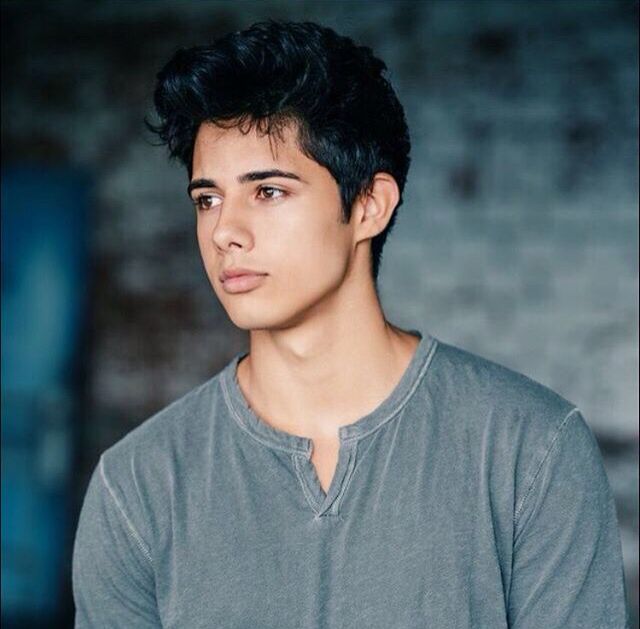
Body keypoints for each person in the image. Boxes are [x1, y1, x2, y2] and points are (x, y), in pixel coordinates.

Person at [72, 19, 629, 628]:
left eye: (269, 192)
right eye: (207, 199)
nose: (224, 231)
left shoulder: (532, 451)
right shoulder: (138, 486)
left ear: (368, 205)